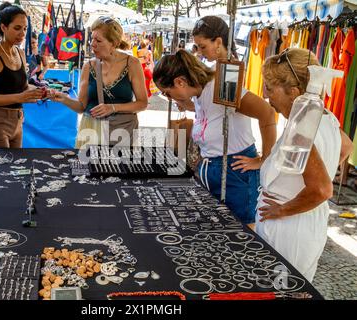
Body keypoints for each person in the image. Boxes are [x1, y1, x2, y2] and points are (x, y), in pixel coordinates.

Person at [256, 48, 353, 282]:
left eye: (270, 89)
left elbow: (321, 190)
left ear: (294, 92)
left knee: (283, 289)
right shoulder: (326, 116)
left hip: (290, 228)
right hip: (305, 221)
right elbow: (346, 146)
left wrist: (283, 209)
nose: (267, 96)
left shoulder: (302, 128)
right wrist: (325, 170)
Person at [152, 49, 276, 225]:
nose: (168, 97)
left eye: (167, 92)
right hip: (213, 171)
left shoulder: (222, 86)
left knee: (242, 231)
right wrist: (183, 102)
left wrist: (264, 159)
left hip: (236, 172)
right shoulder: (199, 93)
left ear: (180, 82)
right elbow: (212, 115)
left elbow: (267, 113)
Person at [50, 16, 148, 148]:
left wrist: (113, 108)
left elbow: (142, 103)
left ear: (113, 43)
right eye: (92, 39)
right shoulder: (88, 66)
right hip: (91, 131)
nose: (92, 44)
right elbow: (81, 107)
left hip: (122, 132)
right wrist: (64, 99)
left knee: (119, 168)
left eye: (98, 40)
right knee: (88, 168)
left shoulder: (132, 64)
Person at [0, 2, 42, 148]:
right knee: (0, 169)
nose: (23, 34)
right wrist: (20, 97)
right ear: (3, 27)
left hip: (18, 122)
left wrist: (41, 92)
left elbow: (23, 87)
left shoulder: (19, 53)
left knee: (15, 169)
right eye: (17, 28)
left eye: (25, 29)